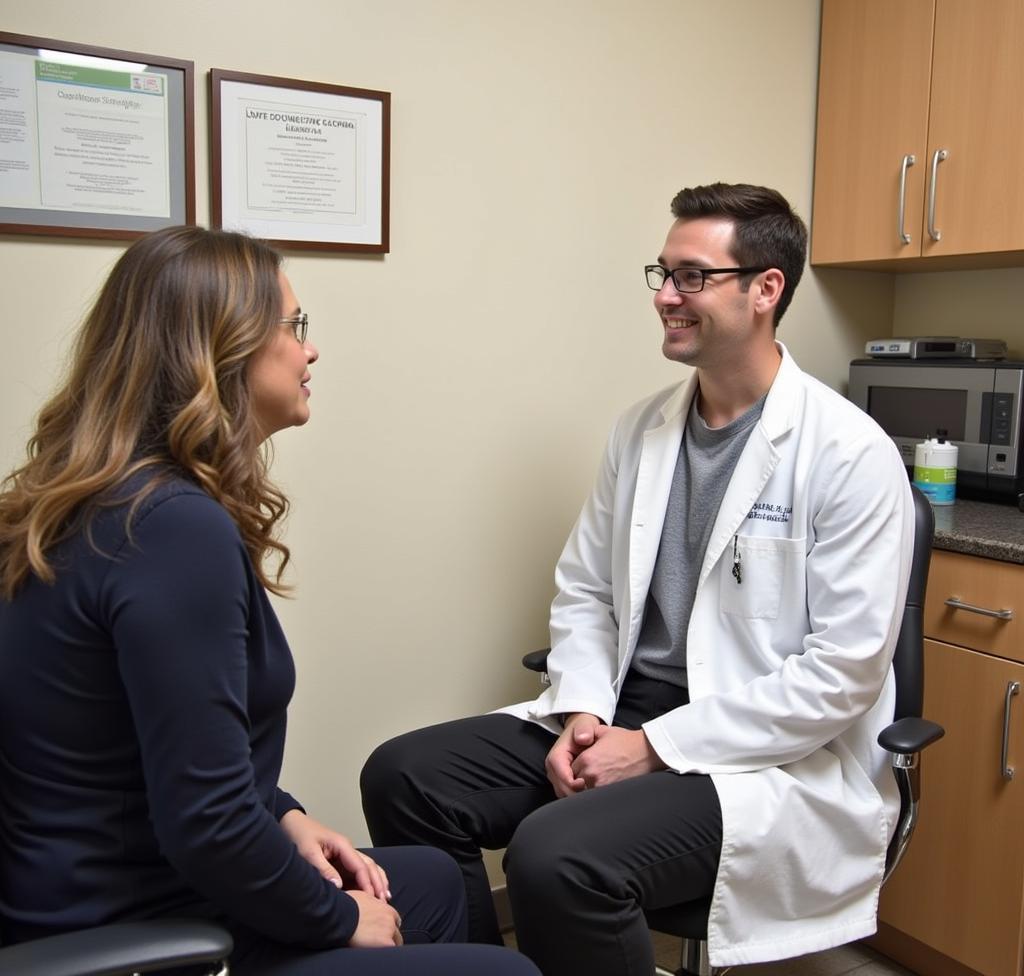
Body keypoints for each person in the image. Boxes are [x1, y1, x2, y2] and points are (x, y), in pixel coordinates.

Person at [361, 183, 915, 975]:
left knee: (556, 857)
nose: (665, 296)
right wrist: (585, 710)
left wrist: (652, 747)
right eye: (663, 272)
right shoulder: (642, 429)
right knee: (406, 776)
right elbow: (586, 591)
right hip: (626, 707)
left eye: (692, 277)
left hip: (765, 750)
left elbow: (843, 676)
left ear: (766, 289)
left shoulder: (848, 454)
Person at [0, 227, 539, 976]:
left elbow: (164, 743)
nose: (309, 351)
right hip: (148, 930)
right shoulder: (171, 531)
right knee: (507, 968)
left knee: (430, 880)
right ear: (218, 353)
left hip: (99, 889)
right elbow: (209, 825)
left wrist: (283, 814)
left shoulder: (100, 502)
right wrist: (337, 916)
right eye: (294, 327)